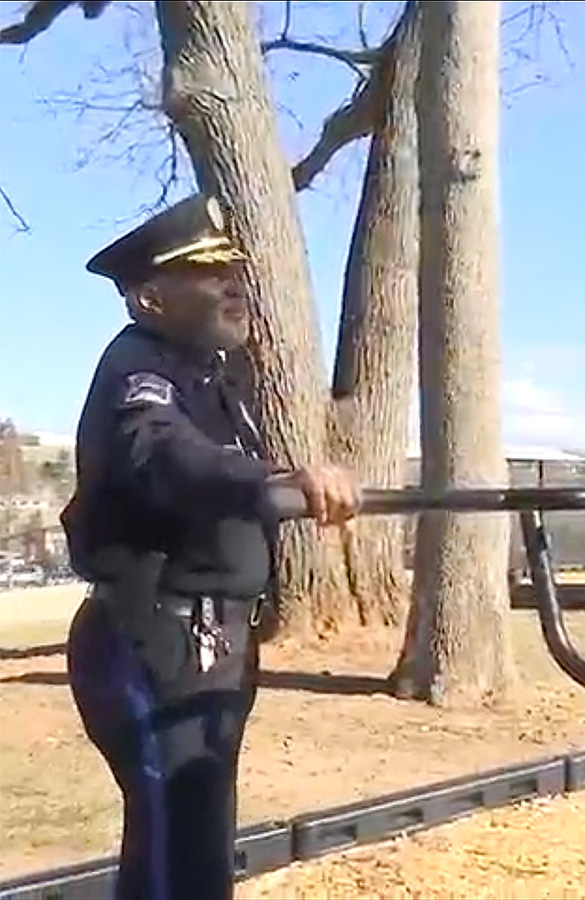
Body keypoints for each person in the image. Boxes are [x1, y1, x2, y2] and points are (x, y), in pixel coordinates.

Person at [61, 194, 361, 900]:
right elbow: (162, 455)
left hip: (210, 638)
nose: (234, 284)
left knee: (199, 840)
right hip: (149, 639)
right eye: (207, 272)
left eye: (236, 270)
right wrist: (277, 481)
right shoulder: (138, 367)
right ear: (150, 298)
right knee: (178, 852)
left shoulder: (215, 378)